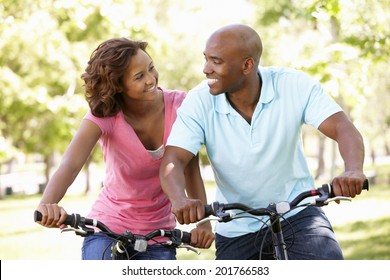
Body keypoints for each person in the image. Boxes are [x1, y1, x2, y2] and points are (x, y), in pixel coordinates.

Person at [159, 24, 367, 260]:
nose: (206, 69)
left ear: (247, 65)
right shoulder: (199, 101)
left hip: (298, 214)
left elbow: (342, 127)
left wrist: (353, 170)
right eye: (206, 59)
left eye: (216, 61)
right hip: (235, 225)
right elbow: (174, 159)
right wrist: (180, 199)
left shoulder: (293, 85)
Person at [35, 38, 214, 260]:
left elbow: (190, 170)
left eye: (151, 68)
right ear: (118, 85)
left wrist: (204, 225)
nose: (151, 79)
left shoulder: (180, 105)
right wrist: (46, 205)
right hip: (107, 227)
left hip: (158, 234)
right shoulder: (104, 115)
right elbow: (70, 165)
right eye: (139, 77)